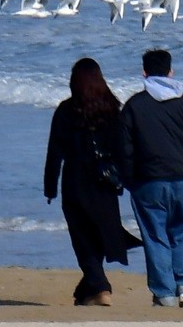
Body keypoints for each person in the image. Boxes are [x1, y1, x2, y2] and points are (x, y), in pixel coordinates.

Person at [118, 49, 183, 308]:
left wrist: (129, 181)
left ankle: (165, 294)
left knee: (155, 237)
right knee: (182, 235)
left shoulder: (135, 105)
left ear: (144, 73)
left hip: (148, 182)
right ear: (171, 72)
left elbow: (124, 149)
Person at [44, 58, 140, 307]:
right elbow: (123, 150)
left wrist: (50, 186)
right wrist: (129, 179)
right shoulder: (112, 110)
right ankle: (88, 290)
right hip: (104, 184)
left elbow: (55, 152)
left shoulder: (66, 110)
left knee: (82, 237)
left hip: (75, 182)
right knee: (98, 234)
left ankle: (100, 287)